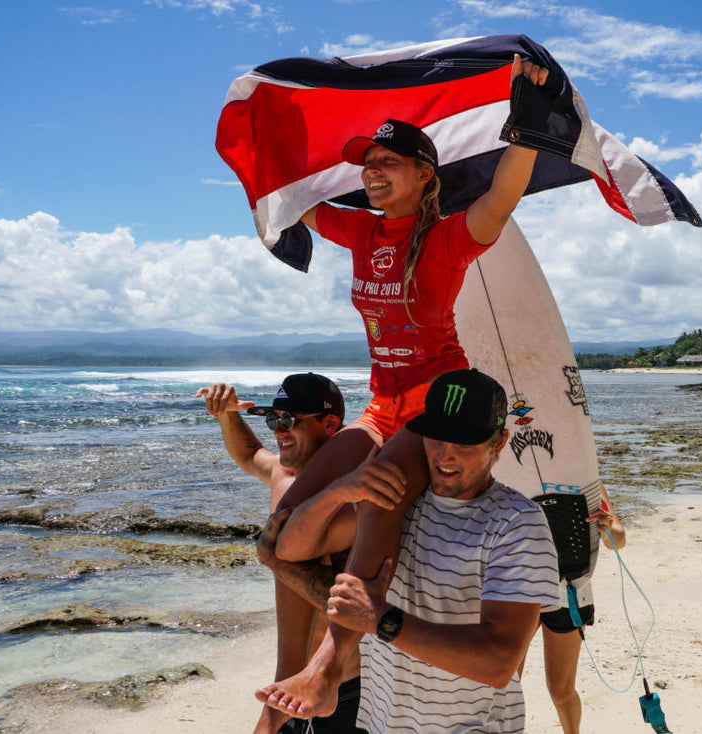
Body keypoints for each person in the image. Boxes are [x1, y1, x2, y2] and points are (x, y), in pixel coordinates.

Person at [254, 53, 554, 720]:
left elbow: (502, 198)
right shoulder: (359, 230)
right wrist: (268, 130)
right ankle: (348, 597)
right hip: (382, 406)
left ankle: (330, 665)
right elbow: (298, 199)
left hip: (432, 405)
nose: (371, 172)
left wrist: (525, 125)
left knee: (381, 494)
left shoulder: (448, 239)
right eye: (367, 163)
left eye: (387, 162)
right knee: (277, 534)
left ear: (424, 176)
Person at [270, 369, 561, 731]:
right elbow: (287, 549)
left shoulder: (517, 524)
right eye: (435, 439)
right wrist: (340, 491)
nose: (445, 457)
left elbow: (498, 663)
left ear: (499, 442)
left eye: (464, 444)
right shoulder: (397, 504)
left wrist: (380, 619)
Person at [195, 373, 359, 734]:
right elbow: (250, 453)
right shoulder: (284, 476)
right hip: (289, 690)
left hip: (347, 690)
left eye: (288, 420)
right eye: (272, 419)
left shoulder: (354, 489)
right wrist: (227, 414)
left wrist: (271, 717)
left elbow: (347, 602)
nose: (278, 430)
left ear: (330, 424)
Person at [527, 483, 626, 734]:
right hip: (520, 590)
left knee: (560, 690)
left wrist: (605, 527)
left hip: (568, 592)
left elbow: (619, 539)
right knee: (503, 684)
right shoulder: (510, 469)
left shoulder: (583, 477)